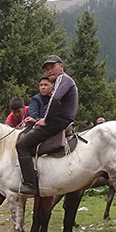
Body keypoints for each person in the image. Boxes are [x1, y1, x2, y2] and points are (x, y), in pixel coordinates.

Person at [15, 55, 78, 195]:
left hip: (57, 122)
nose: (49, 71)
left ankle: (30, 184)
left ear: (61, 66)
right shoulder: (59, 82)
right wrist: (38, 120)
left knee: (22, 145)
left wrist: (46, 121)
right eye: (47, 69)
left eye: (52, 67)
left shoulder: (62, 79)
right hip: (61, 120)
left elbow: (55, 100)